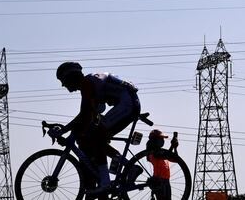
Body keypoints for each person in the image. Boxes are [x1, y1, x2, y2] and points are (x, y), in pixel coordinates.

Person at [52, 62, 141, 196]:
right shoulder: (91, 83)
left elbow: (84, 114)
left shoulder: (87, 84)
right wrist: (73, 132)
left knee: (96, 136)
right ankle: (128, 166)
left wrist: (64, 130)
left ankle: (106, 182)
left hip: (127, 104)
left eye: (63, 81)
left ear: (71, 77)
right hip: (128, 102)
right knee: (91, 135)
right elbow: (89, 116)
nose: (63, 85)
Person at [146, 129, 171, 200]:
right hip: (158, 181)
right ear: (155, 140)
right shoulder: (152, 154)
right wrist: (172, 146)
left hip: (166, 180)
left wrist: (175, 148)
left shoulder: (162, 152)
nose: (162, 141)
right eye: (161, 139)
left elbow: (176, 159)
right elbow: (161, 156)